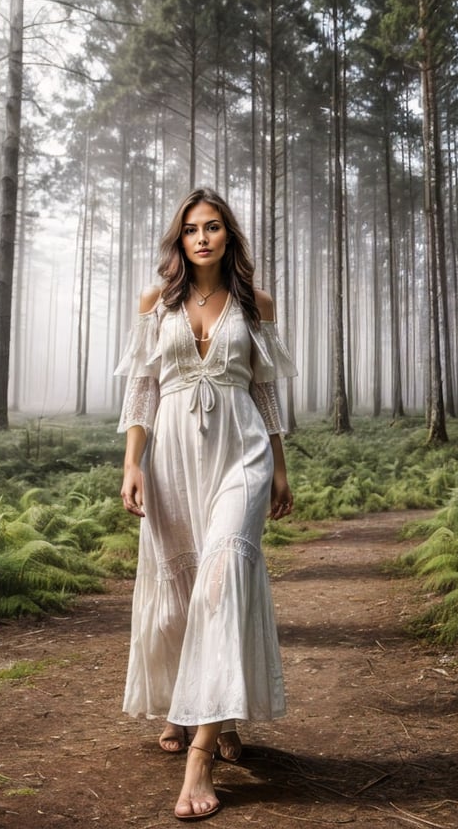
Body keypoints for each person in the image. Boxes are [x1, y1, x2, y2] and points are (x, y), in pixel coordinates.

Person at [115, 188, 295, 821]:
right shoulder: (155, 302)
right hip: (172, 464)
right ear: (179, 239)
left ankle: (200, 754)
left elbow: (267, 393)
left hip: (241, 455)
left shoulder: (256, 304)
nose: (202, 238)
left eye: (213, 227)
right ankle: (209, 712)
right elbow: (142, 390)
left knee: (222, 583)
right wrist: (133, 462)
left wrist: (279, 464)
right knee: (183, 599)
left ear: (228, 236)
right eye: (191, 229)